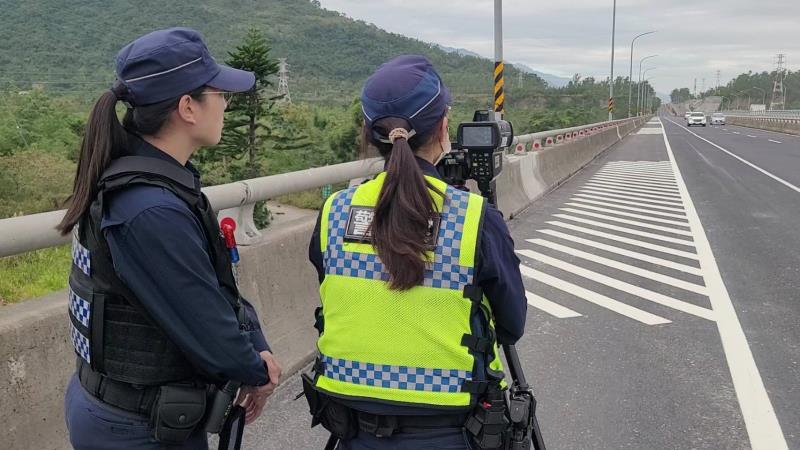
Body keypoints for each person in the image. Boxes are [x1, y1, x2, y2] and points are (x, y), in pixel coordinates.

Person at [57, 27, 282, 449]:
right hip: (136, 429)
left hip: (128, 413)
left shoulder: (156, 185)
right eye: (220, 94)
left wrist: (256, 346)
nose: (227, 104)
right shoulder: (150, 209)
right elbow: (205, 322)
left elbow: (215, 287)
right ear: (187, 108)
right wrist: (255, 368)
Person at [305, 55, 527, 449]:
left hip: (354, 429)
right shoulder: (473, 218)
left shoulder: (335, 211)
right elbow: (511, 325)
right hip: (454, 431)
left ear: (369, 133)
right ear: (444, 127)